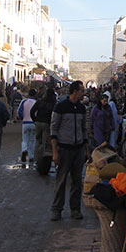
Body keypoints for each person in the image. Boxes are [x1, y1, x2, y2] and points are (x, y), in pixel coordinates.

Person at [49, 80, 89, 221]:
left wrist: (86, 150)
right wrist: (55, 151)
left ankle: (75, 209)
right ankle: (57, 209)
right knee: (61, 180)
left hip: (78, 149)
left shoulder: (81, 109)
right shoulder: (60, 107)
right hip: (64, 149)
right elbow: (53, 129)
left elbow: (84, 130)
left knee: (77, 181)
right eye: (82, 91)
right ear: (75, 92)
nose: (84, 93)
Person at [31, 88, 55, 167]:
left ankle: (36, 160)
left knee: (37, 141)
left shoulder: (39, 102)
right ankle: (42, 160)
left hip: (38, 122)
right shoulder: (52, 104)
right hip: (46, 124)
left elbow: (32, 111)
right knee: (45, 142)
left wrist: (35, 120)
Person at [17, 88, 37, 162]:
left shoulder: (24, 101)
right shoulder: (36, 102)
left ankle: (24, 150)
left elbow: (19, 112)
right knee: (32, 140)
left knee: (25, 139)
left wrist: (22, 118)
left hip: (25, 123)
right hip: (33, 123)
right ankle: (31, 156)